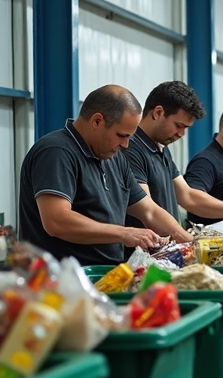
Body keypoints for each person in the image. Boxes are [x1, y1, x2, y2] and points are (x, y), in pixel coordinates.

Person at [18, 85, 192, 265]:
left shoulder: (115, 158)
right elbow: (56, 220)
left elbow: (149, 211)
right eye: (121, 135)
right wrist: (124, 233)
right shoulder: (56, 152)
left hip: (106, 273)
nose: (125, 144)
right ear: (97, 121)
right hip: (63, 277)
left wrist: (187, 240)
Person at [123, 82, 223, 234]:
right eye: (179, 125)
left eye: (186, 128)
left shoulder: (161, 148)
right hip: (141, 248)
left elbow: (188, 197)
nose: (181, 134)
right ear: (158, 113)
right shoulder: (131, 149)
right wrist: (186, 238)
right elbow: (148, 210)